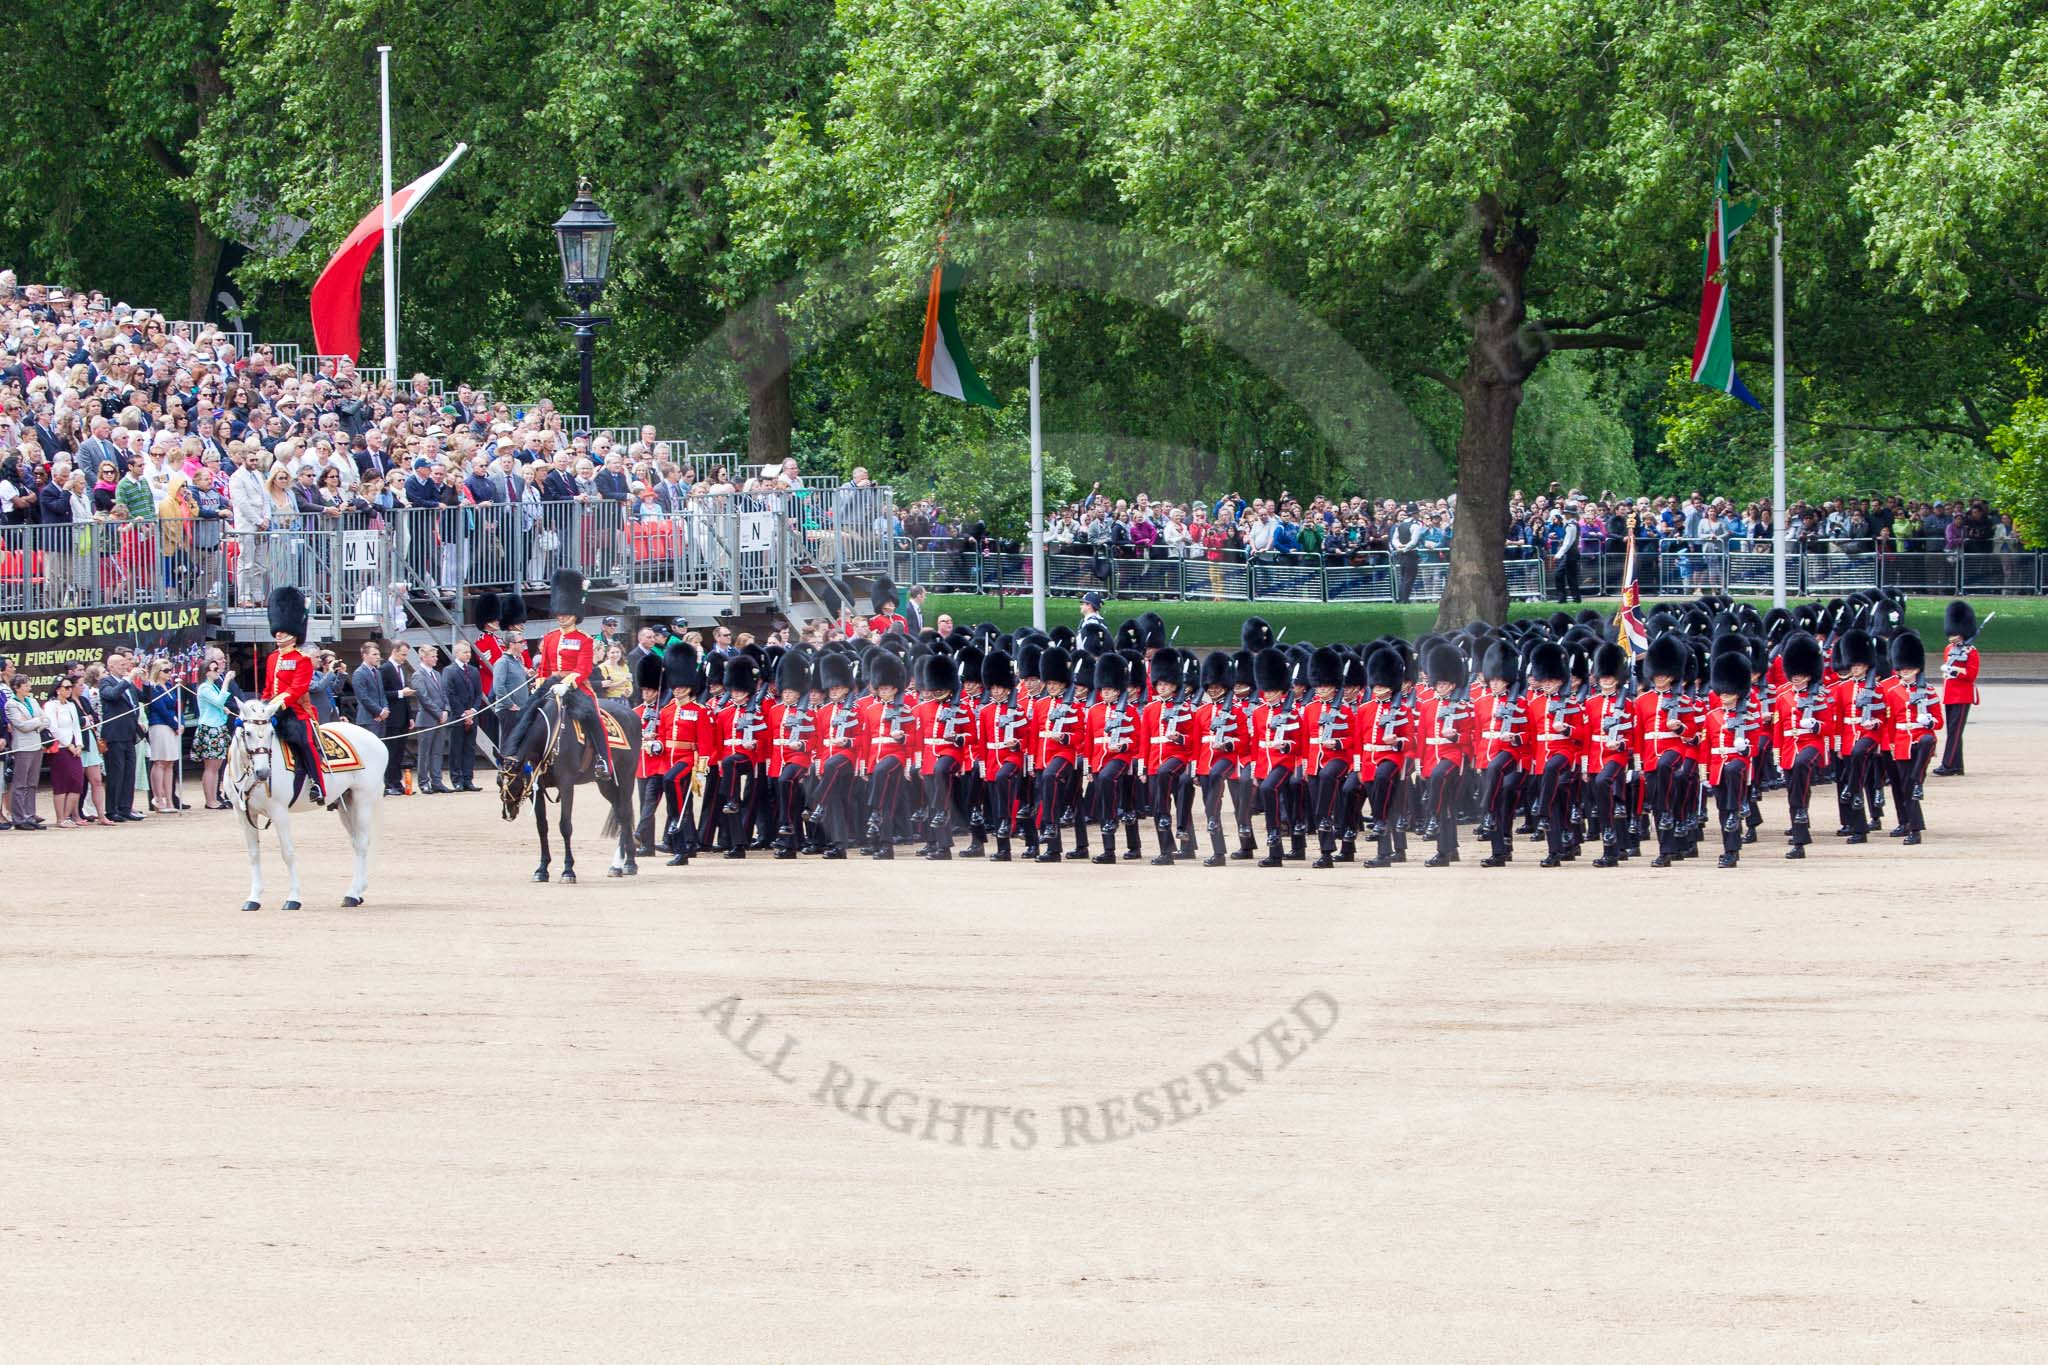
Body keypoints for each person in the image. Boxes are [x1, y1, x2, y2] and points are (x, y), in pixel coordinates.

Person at [535, 569, 612, 780]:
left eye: (566, 613)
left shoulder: (584, 639)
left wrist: (567, 683)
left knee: (591, 715)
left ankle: (604, 760)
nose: (562, 617)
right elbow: (543, 668)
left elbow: (584, 669)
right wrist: (541, 685)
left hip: (577, 687)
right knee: (528, 712)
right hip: (550, 684)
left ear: (575, 614)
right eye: (559, 613)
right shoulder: (550, 638)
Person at [1933, 599, 1980, 776]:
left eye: (1954, 634)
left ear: (1962, 633)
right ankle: (1958, 766)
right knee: (1954, 731)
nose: (1951, 637)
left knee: (1955, 731)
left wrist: (1955, 671)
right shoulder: (1949, 649)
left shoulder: (1971, 651)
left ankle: (1948, 765)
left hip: (1963, 696)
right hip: (1950, 695)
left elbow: (1971, 675)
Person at [2, 657, 49, 829]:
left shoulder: (33, 701)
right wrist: (38, 721)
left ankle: (30, 815)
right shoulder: (11, 704)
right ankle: (19, 817)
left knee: (32, 782)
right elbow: (21, 725)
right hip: (23, 746)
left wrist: (35, 722)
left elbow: (46, 720)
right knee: (20, 782)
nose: (29, 687)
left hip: (36, 744)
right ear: (17, 687)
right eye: (26, 685)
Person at [97, 651, 144, 822]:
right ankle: (112, 809)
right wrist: (128, 679)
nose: (126, 667)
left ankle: (126, 807)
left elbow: (145, 698)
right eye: (122, 665)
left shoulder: (129, 684)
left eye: (126, 664)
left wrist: (145, 683)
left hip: (130, 733)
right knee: (116, 773)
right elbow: (112, 695)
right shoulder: (106, 682)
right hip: (114, 735)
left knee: (129, 773)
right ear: (111, 667)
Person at [44, 675, 87, 828]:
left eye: (70, 687)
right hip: (60, 748)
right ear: (58, 690)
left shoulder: (70, 705)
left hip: (74, 747)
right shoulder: (51, 705)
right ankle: (60, 818)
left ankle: (67, 814)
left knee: (77, 782)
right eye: (66, 687)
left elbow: (76, 726)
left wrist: (79, 744)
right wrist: (68, 744)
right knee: (61, 783)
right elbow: (53, 727)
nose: (69, 690)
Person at [142, 657, 183, 814]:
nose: (169, 673)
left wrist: (181, 723)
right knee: (159, 761)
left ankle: (169, 799)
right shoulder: (154, 688)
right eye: (166, 671)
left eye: (170, 670)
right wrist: (174, 725)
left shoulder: (169, 686)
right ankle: (158, 798)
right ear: (158, 672)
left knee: (170, 763)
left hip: (172, 725)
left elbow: (177, 706)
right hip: (159, 725)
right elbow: (160, 708)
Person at [410, 644, 452, 793]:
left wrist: (446, 709)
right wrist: (438, 713)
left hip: (440, 718)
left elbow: (444, 694)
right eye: (433, 656)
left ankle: (437, 781)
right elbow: (423, 698)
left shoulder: (437, 674)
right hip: (427, 719)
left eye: (436, 656)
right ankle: (423, 782)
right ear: (424, 657)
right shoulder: (418, 675)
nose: (436, 659)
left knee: (437, 751)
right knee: (425, 753)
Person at [194, 657, 235, 810]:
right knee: (211, 766)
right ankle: (210, 799)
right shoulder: (205, 687)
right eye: (214, 669)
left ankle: (213, 797)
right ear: (207, 672)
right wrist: (226, 682)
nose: (218, 672)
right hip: (210, 727)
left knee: (216, 766)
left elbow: (217, 704)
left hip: (217, 725)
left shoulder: (211, 687)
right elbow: (218, 701)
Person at [445, 639, 484, 792]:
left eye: (469, 652)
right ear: (457, 653)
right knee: (456, 749)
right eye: (465, 652)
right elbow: (450, 693)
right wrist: (462, 713)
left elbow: (478, 694)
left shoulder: (473, 671)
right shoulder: (450, 670)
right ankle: (457, 779)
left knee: (469, 748)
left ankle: (468, 778)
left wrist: (473, 711)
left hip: (472, 715)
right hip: (457, 716)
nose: (468, 655)